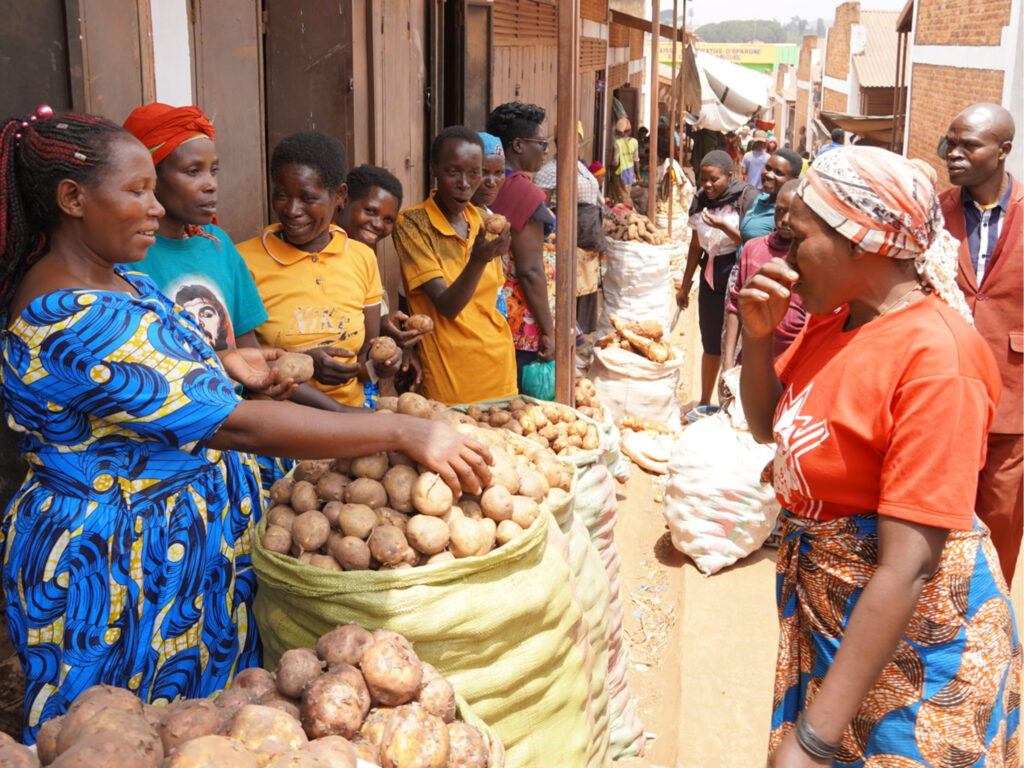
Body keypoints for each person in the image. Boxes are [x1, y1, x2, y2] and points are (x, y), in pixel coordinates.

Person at [0, 110, 492, 742]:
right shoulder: (76, 315)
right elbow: (238, 428)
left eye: (154, 188)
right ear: (72, 198)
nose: (155, 208)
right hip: (115, 569)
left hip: (176, 555)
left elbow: (145, 383)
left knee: (201, 735)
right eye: (137, 191)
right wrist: (400, 432)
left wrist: (223, 361)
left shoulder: (117, 276)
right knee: (120, 737)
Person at [737, 146, 1019, 767]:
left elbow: (909, 566)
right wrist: (758, 340)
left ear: (860, 242)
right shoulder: (836, 319)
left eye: (798, 236)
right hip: (845, 626)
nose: (782, 251)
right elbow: (767, 427)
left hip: (916, 653)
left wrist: (813, 741)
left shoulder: (938, 359)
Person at [237, 132, 403, 409]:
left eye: (307, 198)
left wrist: (383, 367)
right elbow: (243, 362)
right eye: (281, 195)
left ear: (339, 196)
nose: (291, 210)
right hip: (279, 430)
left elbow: (362, 361)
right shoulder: (243, 260)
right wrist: (303, 363)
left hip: (353, 420)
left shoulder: (361, 258)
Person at [940, 102, 1022, 586]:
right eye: (951, 143)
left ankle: (988, 633)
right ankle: (934, 632)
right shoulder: (935, 210)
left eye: (968, 145)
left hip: (1013, 402)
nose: (954, 154)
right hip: (944, 390)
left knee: (1001, 526)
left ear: (1002, 150)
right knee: (938, 517)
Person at [391, 126, 515, 405]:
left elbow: (491, 299)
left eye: (474, 173)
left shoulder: (483, 220)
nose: (464, 183)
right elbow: (447, 306)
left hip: (498, 365)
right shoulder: (412, 224)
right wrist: (480, 259)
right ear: (434, 168)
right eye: (453, 172)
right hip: (451, 377)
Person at [676, 150, 757, 406]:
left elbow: (753, 242)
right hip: (710, 279)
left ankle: (730, 405)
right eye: (704, 179)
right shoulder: (700, 200)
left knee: (733, 346)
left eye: (715, 179)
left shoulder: (746, 198)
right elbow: (695, 245)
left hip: (735, 276)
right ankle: (703, 402)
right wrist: (685, 284)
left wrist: (723, 227)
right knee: (710, 341)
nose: (708, 185)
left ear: (730, 176)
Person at [338, 164, 427, 393]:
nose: (378, 225)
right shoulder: (326, 255)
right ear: (343, 200)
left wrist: (396, 344)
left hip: (359, 385)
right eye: (370, 211)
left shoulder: (365, 257)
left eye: (388, 219)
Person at [486, 102, 557, 387]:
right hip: (520, 320)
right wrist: (549, 330)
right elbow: (530, 270)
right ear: (517, 145)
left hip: (491, 314)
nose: (545, 152)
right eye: (541, 143)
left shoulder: (487, 187)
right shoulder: (522, 191)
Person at [531, 121, 606, 336]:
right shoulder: (549, 171)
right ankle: (568, 343)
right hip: (566, 240)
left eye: (578, 141)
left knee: (585, 291)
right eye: (567, 140)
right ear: (558, 142)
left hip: (586, 238)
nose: (575, 145)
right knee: (568, 292)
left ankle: (579, 347)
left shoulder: (581, 166)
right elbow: (541, 209)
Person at [721, 179, 805, 369]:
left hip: (793, 365)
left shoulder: (809, 260)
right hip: (751, 362)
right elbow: (735, 305)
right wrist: (727, 363)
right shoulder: (753, 248)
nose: (785, 220)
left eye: (794, 213)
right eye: (780, 210)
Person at [470, 131, 509, 322]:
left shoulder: (492, 218)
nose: (492, 182)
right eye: (483, 172)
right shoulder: (458, 221)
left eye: (498, 173)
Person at [609, 116, 639, 206]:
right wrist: (637, 174)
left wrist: (611, 169)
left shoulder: (617, 143)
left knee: (622, 199)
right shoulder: (634, 142)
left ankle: (629, 214)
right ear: (629, 131)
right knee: (626, 194)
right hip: (629, 173)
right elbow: (636, 160)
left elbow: (615, 162)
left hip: (619, 174)